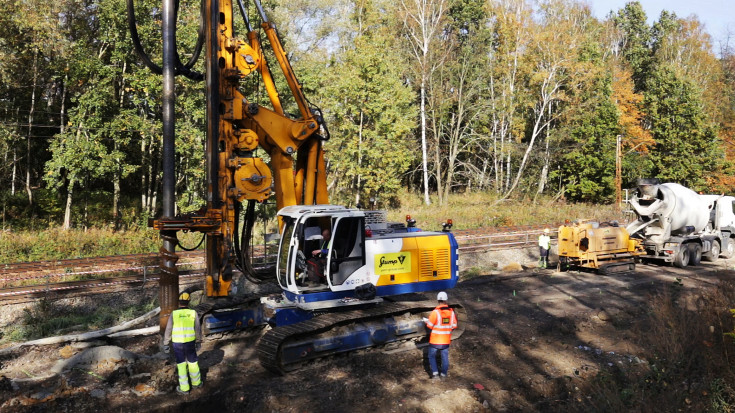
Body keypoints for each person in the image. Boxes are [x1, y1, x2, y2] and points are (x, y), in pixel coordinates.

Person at [163, 292, 203, 394]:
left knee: (181, 364)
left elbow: (168, 329)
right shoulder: (193, 313)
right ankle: (196, 383)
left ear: (179, 302)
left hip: (177, 344)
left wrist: (166, 343)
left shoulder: (174, 314)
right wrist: (198, 341)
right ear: (188, 302)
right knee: (193, 362)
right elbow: (197, 329)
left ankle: (184, 388)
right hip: (190, 343)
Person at [424, 291, 458, 379]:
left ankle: (435, 374)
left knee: (431, 356)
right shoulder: (451, 312)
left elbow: (430, 325)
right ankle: (443, 374)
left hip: (435, 340)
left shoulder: (435, 312)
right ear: (446, 300)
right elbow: (454, 326)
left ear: (438, 300)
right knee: (445, 357)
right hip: (446, 340)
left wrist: (427, 321)